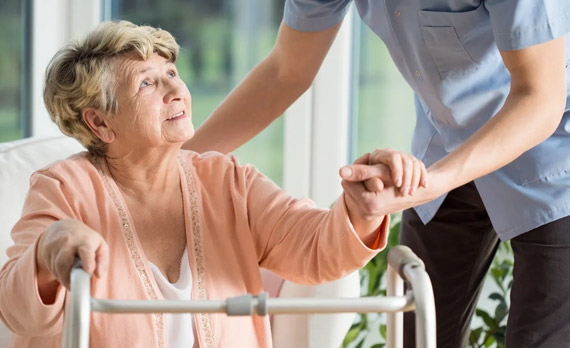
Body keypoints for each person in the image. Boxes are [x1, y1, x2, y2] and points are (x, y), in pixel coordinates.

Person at [0, 20, 427, 348]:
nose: (176, 90)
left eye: (171, 72)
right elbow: (17, 309)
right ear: (99, 121)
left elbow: (313, 246)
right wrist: (48, 249)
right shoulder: (63, 188)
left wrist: (362, 209)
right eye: (147, 82)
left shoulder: (227, 180)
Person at [183, 1, 570, 347]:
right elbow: (286, 70)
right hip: (443, 146)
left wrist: (428, 184)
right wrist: (172, 165)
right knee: (416, 333)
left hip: (552, 161)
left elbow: (539, 96)